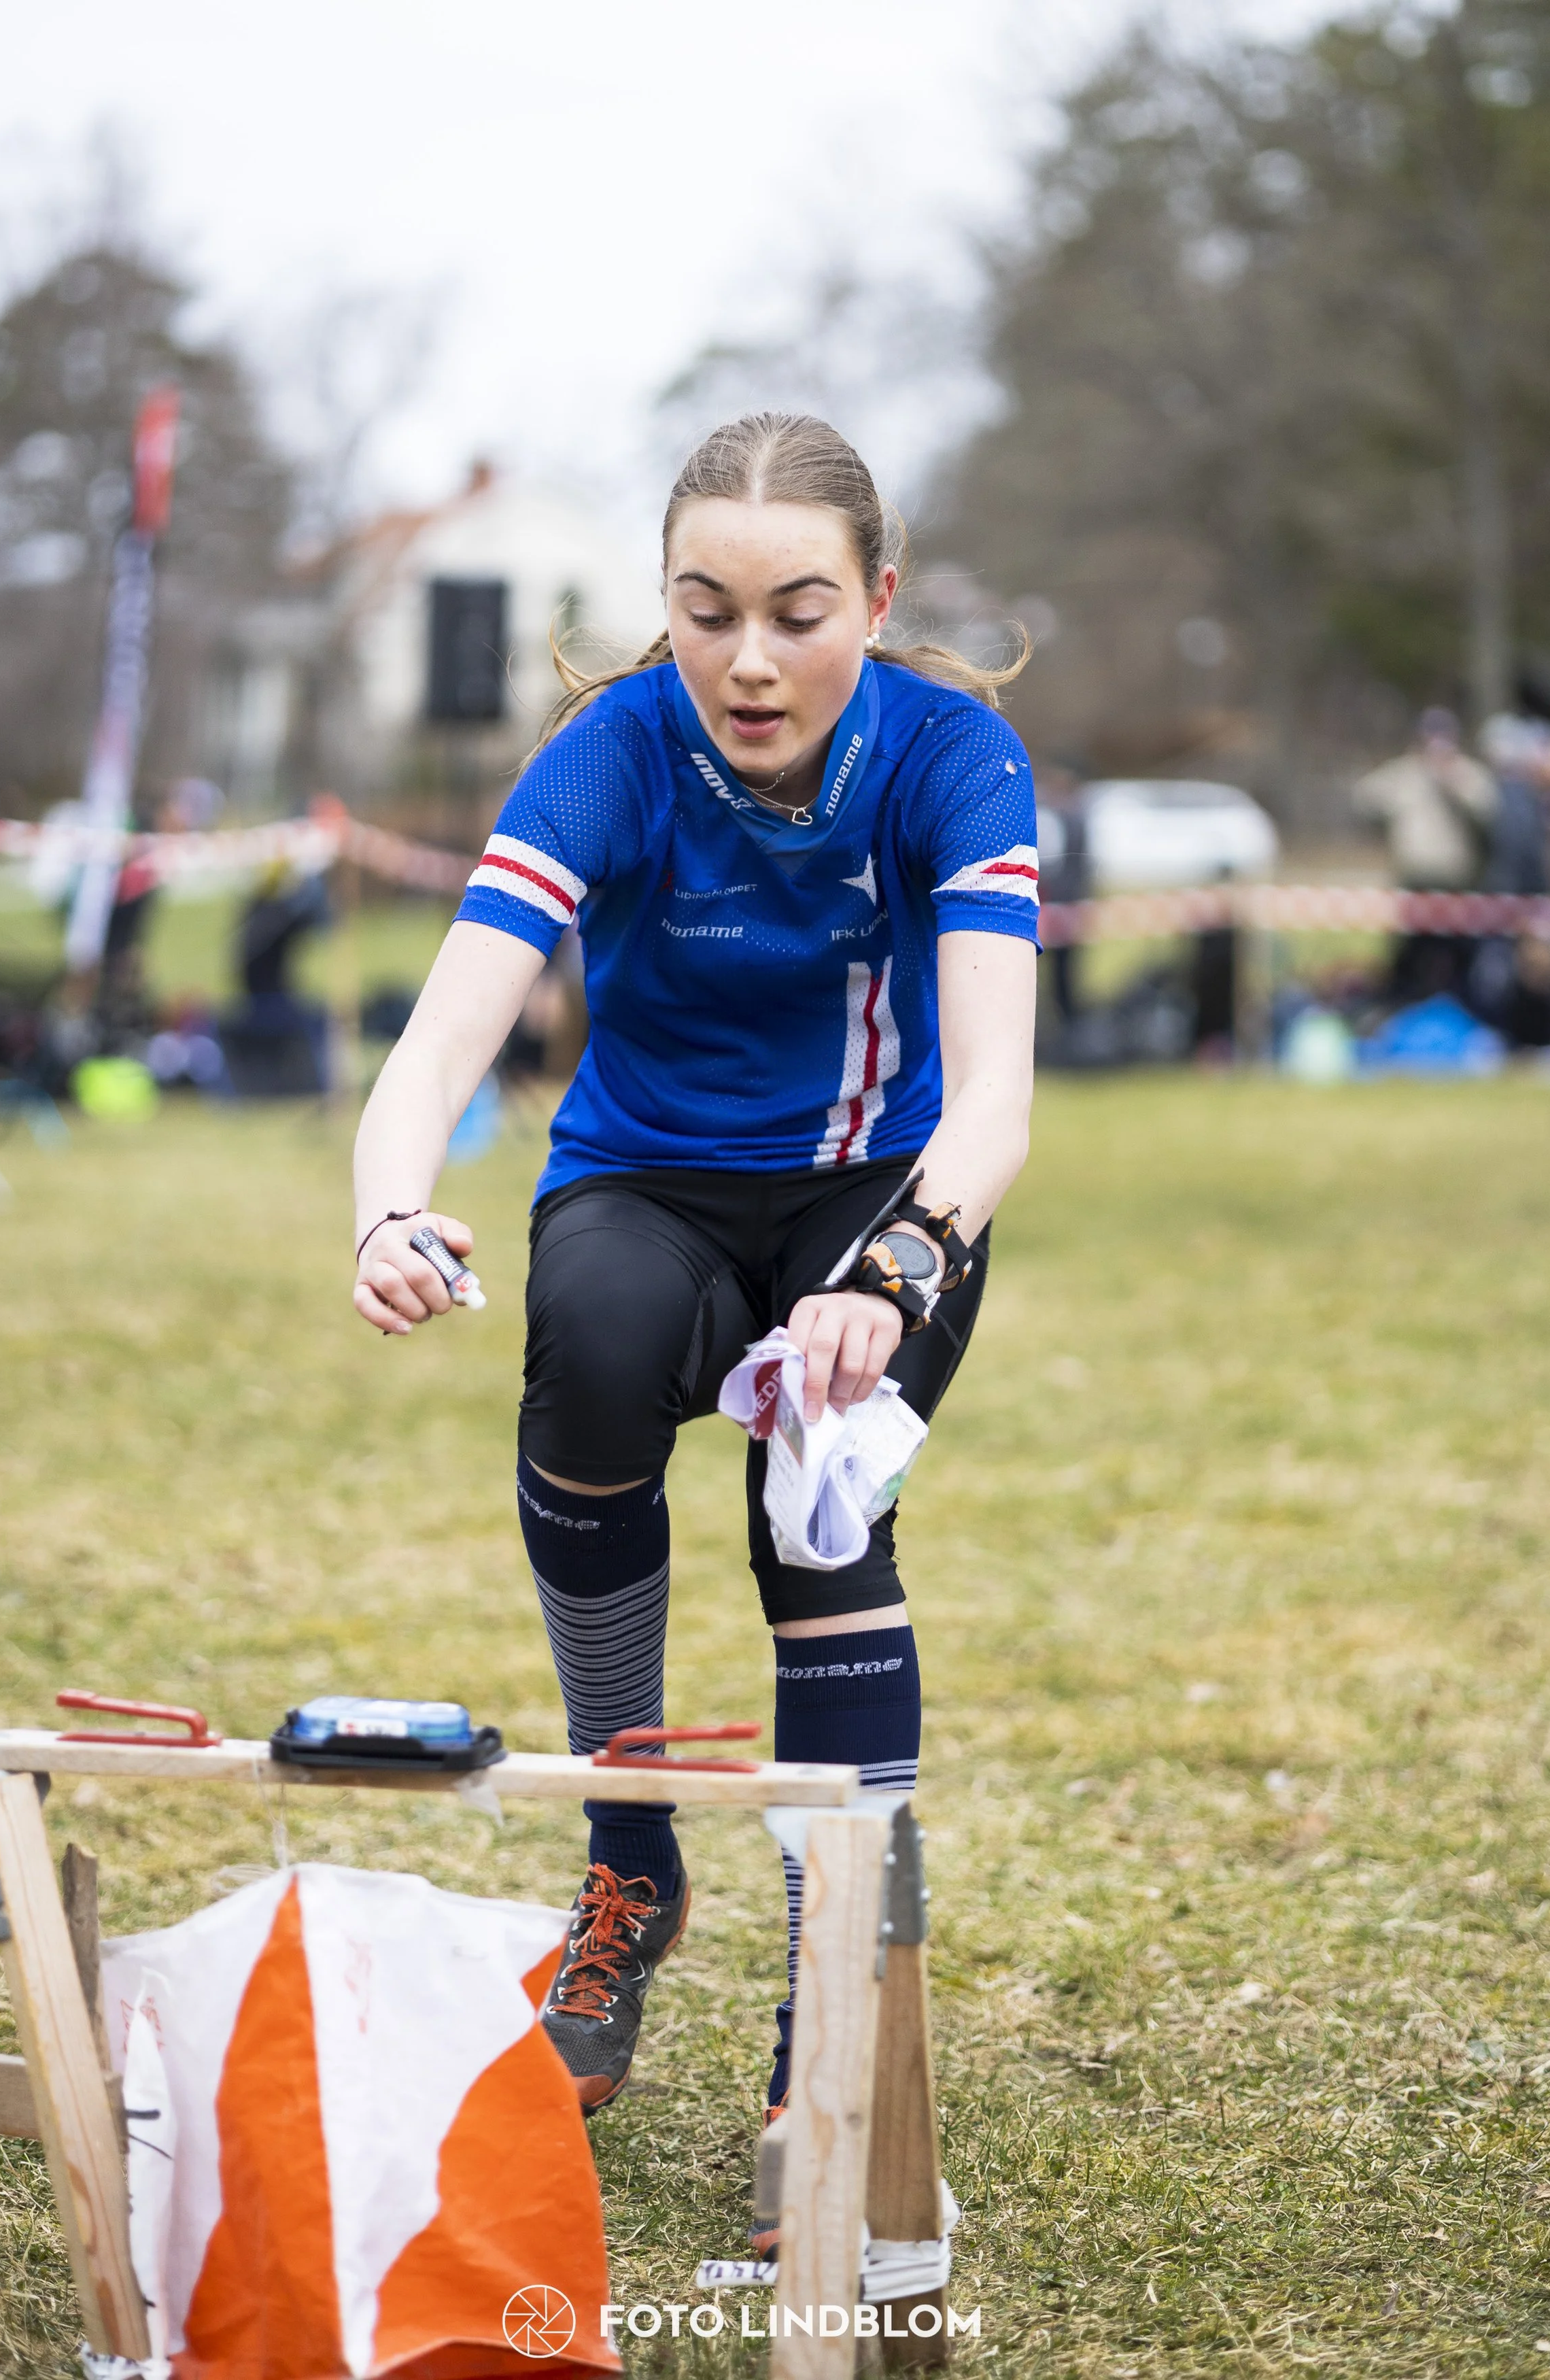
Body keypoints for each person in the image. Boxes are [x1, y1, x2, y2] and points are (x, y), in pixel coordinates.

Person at [351, 413, 1040, 2119]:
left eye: (798, 612)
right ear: (665, 606)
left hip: (880, 1185)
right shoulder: (608, 750)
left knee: (818, 1485)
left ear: (876, 601)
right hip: (644, 1181)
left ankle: (833, 2017)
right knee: (585, 1344)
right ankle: (630, 1858)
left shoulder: (953, 755)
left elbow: (1000, 1099)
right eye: (704, 610)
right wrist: (385, 1207)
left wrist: (892, 1272)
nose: (747, 659)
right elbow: (443, 1043)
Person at [1354, 707, 1499, 1004]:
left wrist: (1452, 781)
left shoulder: (1464, 773)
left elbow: (1489, 809)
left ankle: (1459, 1011)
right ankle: (1406, 1010)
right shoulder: (1406, 773)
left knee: (1457, 953)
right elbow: (1365, 797)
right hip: (1415, 880)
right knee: (1410, 954)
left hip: (1455, 881)